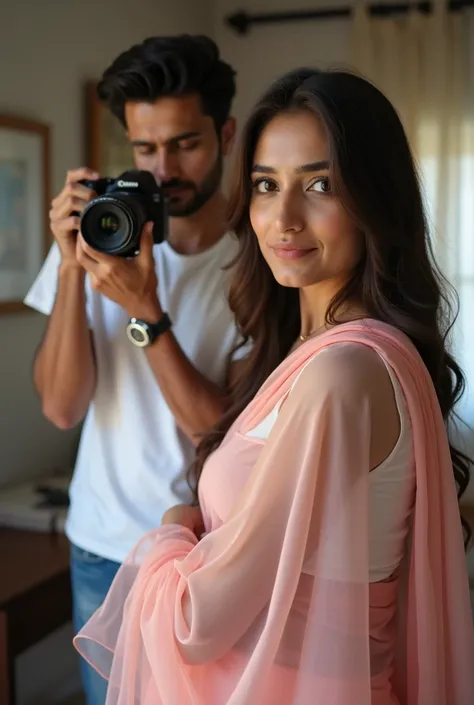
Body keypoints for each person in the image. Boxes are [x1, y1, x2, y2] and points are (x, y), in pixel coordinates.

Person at [74, 68, 474, 704]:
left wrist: (178, 524)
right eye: (266, 185)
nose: (283, 219)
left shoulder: (342, 376)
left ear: (376, 198)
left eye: (319, 184)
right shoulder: (311, 352)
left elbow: (195, 624)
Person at [24, 35, 248, 705]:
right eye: (145, 149)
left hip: (208, 554)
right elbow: (62, 407)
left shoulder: (257, 266)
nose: (163, 168)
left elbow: (223, 434)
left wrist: (146, 311)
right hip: (100, 543)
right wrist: (71, 265)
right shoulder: (101, 237)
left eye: (186, 144)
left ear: (226, 134)